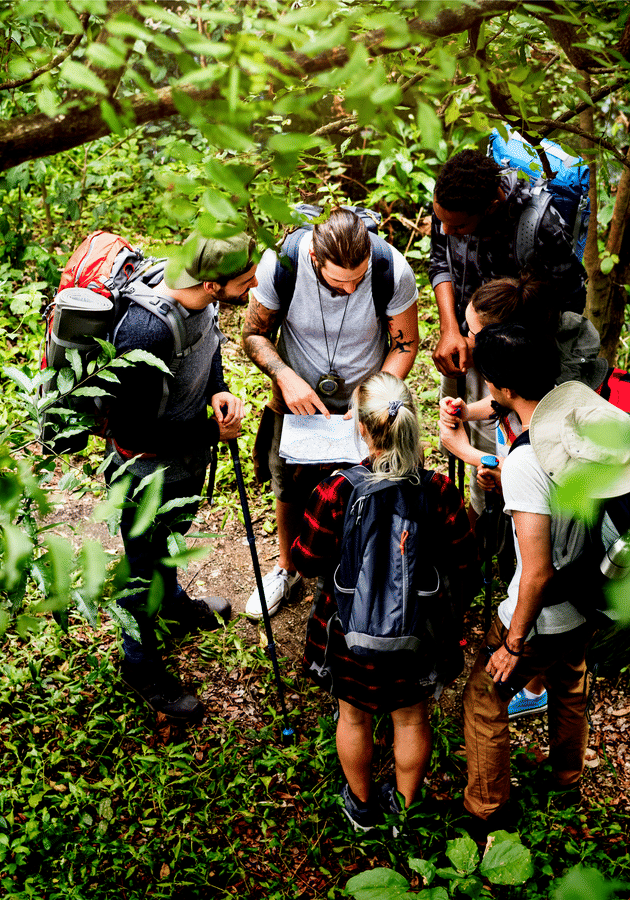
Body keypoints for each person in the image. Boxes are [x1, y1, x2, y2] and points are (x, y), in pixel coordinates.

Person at [290, 373, 478, 832]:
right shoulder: (438, 491)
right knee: (411, 718)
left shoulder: (336, 490)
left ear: (361, 428)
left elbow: (306, 561)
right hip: (418, 636)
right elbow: (466, 564)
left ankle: (361, 806)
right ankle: (405, 811)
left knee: (353, 716)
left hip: (348, 632)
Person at [107, 231, 258, 722]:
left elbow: (207, 351)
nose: (255, 284)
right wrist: (212, 429)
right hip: (144, 472)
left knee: (170, 537)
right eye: (246, 279)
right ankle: (140, 664)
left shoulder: (203, 303)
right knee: (139, 565)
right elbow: (132, 428)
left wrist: (219, 391)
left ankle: (171, 601)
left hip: (184, 458)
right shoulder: (145, 331)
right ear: (213, 284)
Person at [241, 208, 419, 618]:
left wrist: (370, 393)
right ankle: (287, 568)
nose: (352, 287)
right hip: (296, 395)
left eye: (359, 277)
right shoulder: (281, 264)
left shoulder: (392, 268)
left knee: (373, 481)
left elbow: (405, 344)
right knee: (288, 481)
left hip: (367, 398)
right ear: (313, 260)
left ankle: (365, 568)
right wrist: (285, 377)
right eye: (340, 281)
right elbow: (253, 332)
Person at [463, 322, 595, 838]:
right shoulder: (583, 417)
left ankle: (487, 808)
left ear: (503, 389)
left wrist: (514, 644)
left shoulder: (525, 459)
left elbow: (536, 571)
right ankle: (567, 776)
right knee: (570, 679)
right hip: (592, 592)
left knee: (486, 696)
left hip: (544, 611)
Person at [430, 149, 586, 522]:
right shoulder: (450, 206)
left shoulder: (537, 223)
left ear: (492, 204)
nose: (446, 231)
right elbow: (440, 261)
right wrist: (453, 329)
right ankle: (484, 522)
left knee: (514, 447)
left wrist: (492, 342)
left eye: (458, 227)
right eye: (441, 222)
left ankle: (518, 526)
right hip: (465, 341)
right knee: (475, 436)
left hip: (517, 362)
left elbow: (568, 301)